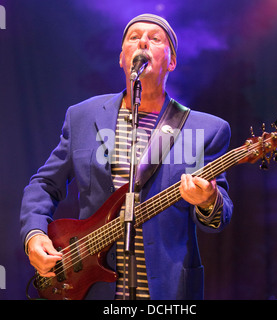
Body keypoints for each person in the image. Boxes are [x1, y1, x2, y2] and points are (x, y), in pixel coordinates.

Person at [20, 13, 233, 300]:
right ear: (122, 58)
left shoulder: (206, 129)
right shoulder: (83, 116)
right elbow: (44, 184)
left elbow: (221, 214)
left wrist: (208, 200)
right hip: (92, 287)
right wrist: (34, 234)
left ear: (171, 61)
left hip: (167, 291)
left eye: (155, 39)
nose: (143, 41)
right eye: (134, 37)